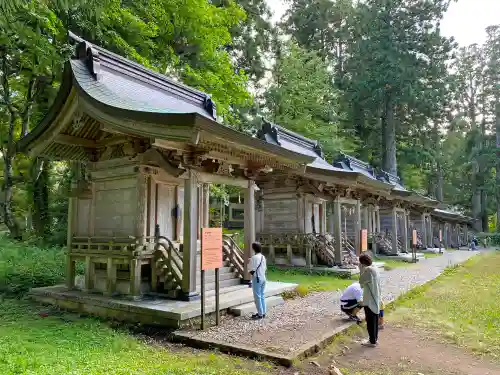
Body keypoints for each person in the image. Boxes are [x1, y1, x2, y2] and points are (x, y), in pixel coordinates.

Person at [358, 252, 381, 347]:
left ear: (362, 263)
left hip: (369, 300)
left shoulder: (367, 271)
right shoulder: (375, 269)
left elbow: (361, 282)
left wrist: (361, 270)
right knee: (375, 321)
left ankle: (371, 342)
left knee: (370, 321)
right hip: (376, 298)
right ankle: (374, 339)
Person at [249, 242, 267, 320]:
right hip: (263, 278)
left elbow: (251, 269)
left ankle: (260, 314)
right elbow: (265, 268)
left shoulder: (254, 258)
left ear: (254, 249)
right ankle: (263, 312)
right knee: (262, 295)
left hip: (257, 278)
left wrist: (248, 262)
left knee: (257, 296)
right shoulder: (263, 257)